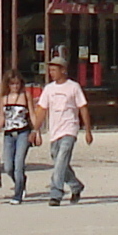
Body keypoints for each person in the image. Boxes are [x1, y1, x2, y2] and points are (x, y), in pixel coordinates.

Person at [36, 58, 90, 205]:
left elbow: (82, 107)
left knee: (61, 160)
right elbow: (41, 109)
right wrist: (35, 129)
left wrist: (88, 130)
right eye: (50, 70)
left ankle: (56, 193)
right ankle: (76, 185)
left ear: (63, 70)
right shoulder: (49, 89)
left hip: (70, 129)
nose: (51, 73)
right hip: (55, 131)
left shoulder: (73, 87)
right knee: (59, 161)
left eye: (54, 70)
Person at [0, 76, 35, 204]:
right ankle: (20, 182)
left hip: (23, 132)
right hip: (8, 134)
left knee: (19, 163)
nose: (15, 86)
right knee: (8, 166)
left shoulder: (26, 96)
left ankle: (18, 194)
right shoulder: (4, 99)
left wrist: (36, 131)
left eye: (17, 84)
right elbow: (1, 117)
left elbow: (32, 114)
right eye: (12, 84)